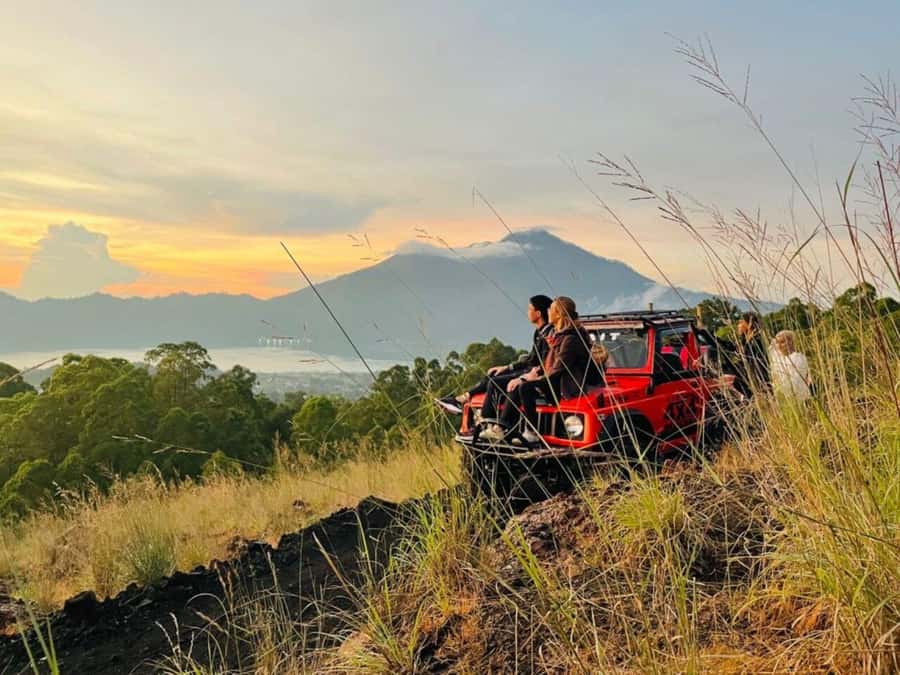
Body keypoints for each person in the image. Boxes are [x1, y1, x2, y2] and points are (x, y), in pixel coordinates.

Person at [482, 296, 604, 443]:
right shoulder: (561, 335)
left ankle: (531, 432)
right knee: (519, 386)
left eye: (551, 309)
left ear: (558, 314)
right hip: (555, 381)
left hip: (565, 387)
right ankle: (501, 428)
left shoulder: (570, 339)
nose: (548, 312)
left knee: (525, 387)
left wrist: (527, 378)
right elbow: (546, 363)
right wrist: (532, 375)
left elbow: (558, 368)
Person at [435, 295, 554, 419]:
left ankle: (487, 420)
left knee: (495, 382)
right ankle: (461, 399)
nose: (527, 312)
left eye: (530, 309)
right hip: (528, 370)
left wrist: (525, 376)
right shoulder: (539, 332)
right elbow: (531, 358)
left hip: (533, 374)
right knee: (494, 374)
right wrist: (507, 367)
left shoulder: (549, 334)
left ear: (539, 313)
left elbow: (544, 363)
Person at [769, 330, 812, 402]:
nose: (779, 346)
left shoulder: (799, 358)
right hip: (784, 400)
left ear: (791, 342)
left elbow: (795, 382)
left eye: (782, 342)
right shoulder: (777, 360)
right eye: (777, 343)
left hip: (800, 399)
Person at [736, 311, 770, 393]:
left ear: (749, 323)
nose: (739, 323)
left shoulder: (756, 340)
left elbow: (752, 357)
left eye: (742, 321)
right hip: (753, 375)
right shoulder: (745, 339)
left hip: (759, 375)